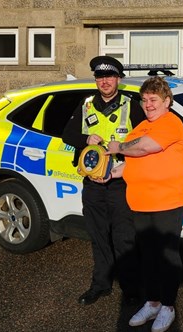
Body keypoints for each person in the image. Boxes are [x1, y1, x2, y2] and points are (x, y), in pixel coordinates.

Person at [106, 76, 183, 332]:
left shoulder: (171, 122)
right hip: (140, 202)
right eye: (144, 100)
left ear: (167, 101)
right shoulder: (140, 126)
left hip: (168, 201)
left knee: (167, 256)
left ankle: (168, 306)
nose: (148, 105)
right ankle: (152, 302)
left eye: (153, 100)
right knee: (149, 257)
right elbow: (132, 159)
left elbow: (145, 148)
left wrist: (118, 146)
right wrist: (111, 171)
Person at [62, 55, 145, 306]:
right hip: (93, 184)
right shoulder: (86, 104)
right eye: (100, 77)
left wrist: (125, 148)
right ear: (96, 80)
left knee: (124, 238)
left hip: (120, 183)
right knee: (98, 237)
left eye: (109, 76)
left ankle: (131, 289)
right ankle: (100, 285)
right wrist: (85, 139)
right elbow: (67, 134)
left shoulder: (132, 105)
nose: (105, 81)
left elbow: (144, 141)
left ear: (118, 79)